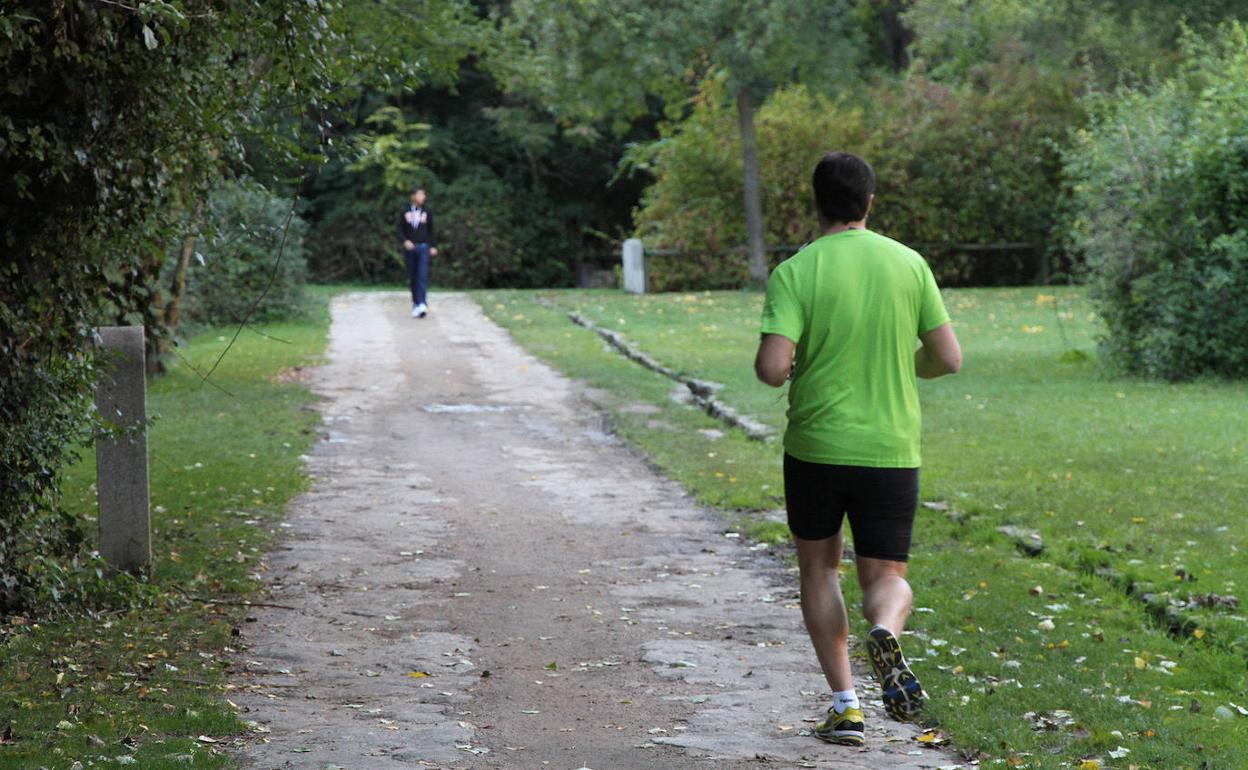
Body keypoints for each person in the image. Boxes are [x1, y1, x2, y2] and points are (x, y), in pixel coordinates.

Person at [754, 152, 962, 747]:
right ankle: (887, 628)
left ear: (816, 203)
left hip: (816, 448)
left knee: (820, 569)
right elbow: (948, 358)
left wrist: (794, 360)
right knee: (887, 575)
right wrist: (905, 362)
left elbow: (771, 368)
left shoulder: (797, 271)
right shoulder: (908, 264)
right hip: (890, 448)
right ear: (870, 202)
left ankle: (846, 707)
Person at [397, 186, 438, 318]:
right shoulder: (405, 211)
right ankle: (416, 304)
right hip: (410, 249)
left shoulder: (427, 211)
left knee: (422, 275)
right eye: (420, 195)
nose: (423, 197)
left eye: (423, 195)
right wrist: (405, 241)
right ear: (413, 196)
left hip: (423, 247)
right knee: (413, 277)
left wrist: (433, 246)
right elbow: (399, 229)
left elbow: (432, 230)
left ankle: (422, 303)